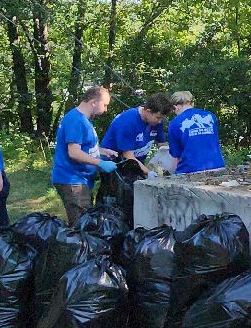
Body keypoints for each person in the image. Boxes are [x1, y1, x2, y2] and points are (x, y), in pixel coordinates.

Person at [50, 85, 120, 225]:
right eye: (104, 105)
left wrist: (103, 151)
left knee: (87, 220)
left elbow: (84, 146)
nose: (105, 109)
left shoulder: (84, 120)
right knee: (81, 225)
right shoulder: (75, 120)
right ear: (93, 102)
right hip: (72, 180)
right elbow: (74, 152)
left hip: (82, 179)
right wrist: (100, 163)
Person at [101, 91, 171, 175]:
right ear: (148, 111)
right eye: (158, 117)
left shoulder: (156, 123)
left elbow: (162, 145)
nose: (160, 121)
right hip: (114, 164)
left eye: (162, 118)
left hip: (137, 164)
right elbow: (128, 155)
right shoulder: (128, 122)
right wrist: (149, 172)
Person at [166, 91, 226, 175]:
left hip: (190, 170)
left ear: (175, 107)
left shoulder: (175, 123)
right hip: (218, 166)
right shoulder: (211, 116)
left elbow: (176, 155)